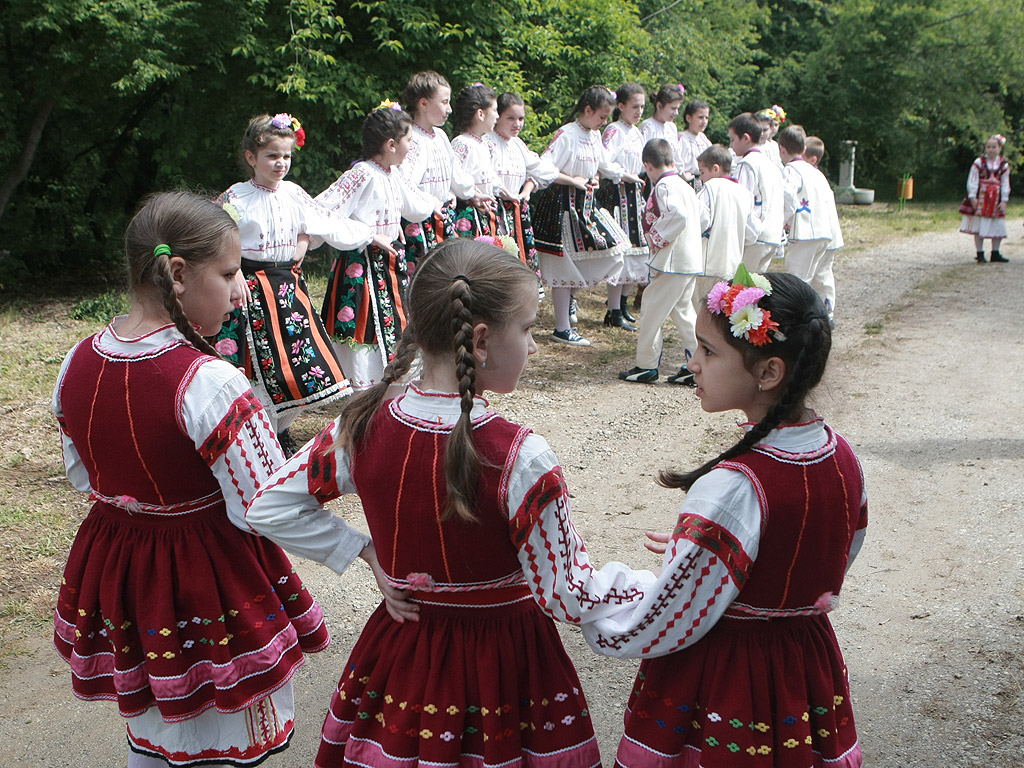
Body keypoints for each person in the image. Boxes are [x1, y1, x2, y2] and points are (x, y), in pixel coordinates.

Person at [245, 238, 650, 768]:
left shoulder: (361, 424)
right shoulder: (519, 456)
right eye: (527, 329)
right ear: (480, 340)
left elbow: (269, 505)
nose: (532, 344)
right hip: (505, 665)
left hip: (403, 654)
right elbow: (568, 593)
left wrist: (368, 556)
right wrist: (668, 592)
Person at [52, 191, 401, 767]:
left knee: (157, 720)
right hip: (204, 575)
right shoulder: (207, 381)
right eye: (230, 273)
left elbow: (80, 473)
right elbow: (261, 504)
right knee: (221, 727)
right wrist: (360, 546)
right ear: (180, 275)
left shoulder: (78, 360)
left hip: (122, 569)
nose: (241, 290)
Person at [587, 266, 868, 768]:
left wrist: (597, 602)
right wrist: (710, 559)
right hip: (804, 666)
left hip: (727, 679)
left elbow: (668, 616)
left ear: (768, 372)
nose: (692, 363)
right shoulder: (842, 456)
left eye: (708, 351)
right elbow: (835, 551)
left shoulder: (735, 486)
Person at [215, 113, 373, 454]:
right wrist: (233, 271)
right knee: (256, 364)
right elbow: (217, 237)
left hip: (288, 287)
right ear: (251, 158)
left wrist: (306, 240)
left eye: (286, 156)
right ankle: (259, 431)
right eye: (272, 156)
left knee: (303, 360)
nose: (280, 163)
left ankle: (282, 426)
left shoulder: (293, 193)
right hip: (250, 289)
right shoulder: (236, 197)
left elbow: (321, 221)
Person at [317, 103, 440, 390]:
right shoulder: (362, 174)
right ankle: (364, 394)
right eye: (409, 140)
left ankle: (387, 388)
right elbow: (323, 211)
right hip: (362, 267)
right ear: (391, 144)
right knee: (364, 329)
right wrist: (369, 234)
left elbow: (414, 203)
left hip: (388, 266)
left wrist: (435, 204)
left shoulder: (392, 173)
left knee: (393, 325)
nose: (412, 147)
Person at [532, 86, 640, 345]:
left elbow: (604, 164)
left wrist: (626, 175)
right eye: (602, 117)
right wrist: (573, 180)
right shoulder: (567, 135)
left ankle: (570, 300)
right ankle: (562, 327)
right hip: (561, 206)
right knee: (563, 264)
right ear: (588, 110)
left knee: (617, 246)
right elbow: (544, 167)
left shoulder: (593, 135)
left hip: (585, 206)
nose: (604, 122)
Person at [618, 138, 707, 385]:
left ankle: (646, 365)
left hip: (672, 262)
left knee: (651, 310)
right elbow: (704, 218)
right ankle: (696, 364)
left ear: (648, 165)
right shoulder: (686, 185)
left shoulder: (664, 186)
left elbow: (677, 215)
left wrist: (657, 237)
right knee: (683, 311)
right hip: (690, 259)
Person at [399, 71, 483, 267]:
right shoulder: (412, 139)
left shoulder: (441, 136)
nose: (450, 109)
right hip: (421, 224)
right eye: (444, 102)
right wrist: (430, 202)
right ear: (423, 103)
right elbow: (405, 184)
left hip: (442, 220)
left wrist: (473, 194)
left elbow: (455, 175)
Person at [486, 91, 558, 277]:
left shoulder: (518, 145)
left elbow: (546, 170)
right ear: (498, 116)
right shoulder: (487, 141)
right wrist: (502, 192)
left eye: (521, 118)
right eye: (510, 118)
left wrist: (527, 188)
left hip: (515, 213)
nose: (517, 124)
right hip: (493, 212)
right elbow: (485, 175)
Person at [778, 124, 844, 323]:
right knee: (819, 276)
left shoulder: (791, 171)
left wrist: (781, 223)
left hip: (805, 231)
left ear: (781, 148)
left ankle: (795, 321)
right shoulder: (817, 173)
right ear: (803, 149)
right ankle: (825, 312)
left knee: (797, 278)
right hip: (825, 232)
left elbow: (787, 197)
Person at [599, 82, 650, 329]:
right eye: (634, 106)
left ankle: (623, 302)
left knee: (636, 249)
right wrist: (624, 174)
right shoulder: (614, 130)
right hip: (617, 193)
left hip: (633, 195)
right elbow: (604, 161)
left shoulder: (637, 132)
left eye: (642, 107)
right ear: (621, 106)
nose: (639, 111)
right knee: (621, 250)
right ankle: (613, 310)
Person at [730, 112, 785, 273]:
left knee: (741, 287)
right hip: (772, 235)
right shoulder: (771, 165)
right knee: (756, 286)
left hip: (755, 237)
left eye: (733, 139)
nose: (731, 145)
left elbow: (739, 200)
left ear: (746, 138)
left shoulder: (746, 165)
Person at [696, 143, 761, 280]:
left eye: (702, 172)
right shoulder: (745, 193)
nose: (701, 178)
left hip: (706, 265)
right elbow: (753, 233)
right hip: (732, 267)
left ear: (715, 169)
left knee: (702, 301)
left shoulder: (709, 188)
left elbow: (699, 219)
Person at [451, 83, 501, 238]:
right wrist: (473, 195)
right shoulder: (461, 143)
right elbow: (454, 179)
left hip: (486, 214)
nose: (497, 116)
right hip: (468, 216)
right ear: (480, 114)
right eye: (494, 110)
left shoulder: (486, 143)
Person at [960, 134, 1010, 263]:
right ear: (985, 148)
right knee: (979, 224)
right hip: (981, 198)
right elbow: (973, 180)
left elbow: (1005, 183)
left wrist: (1004, 200)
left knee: (997, 224)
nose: (991, 149)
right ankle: (980, 253)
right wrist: (972, 197)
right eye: (988, 147)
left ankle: (995, 252)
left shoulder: (1003, 165)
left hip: (996, 199)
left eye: (994, 147)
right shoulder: (979, 163)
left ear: (999, 148)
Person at [640, 83, 686, 169]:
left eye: (677, 109)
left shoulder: (672, 127)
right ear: (659, 106)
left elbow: (676, 156)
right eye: (673, 108)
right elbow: (643, 157)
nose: (676, 113)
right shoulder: (648, 126)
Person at [678, 99, 712, 188]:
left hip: (702, 182)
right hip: (685, 182)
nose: (704, 121)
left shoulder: (705, 140)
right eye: (700, 117)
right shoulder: (682, 139)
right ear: (688, 118)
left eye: (706, 118)